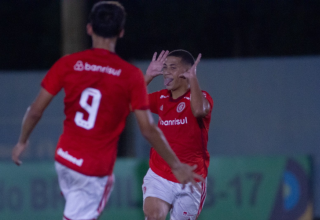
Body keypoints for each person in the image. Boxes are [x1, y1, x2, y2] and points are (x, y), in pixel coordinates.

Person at [11, 2, 203, 220]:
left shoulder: (68, 64)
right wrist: (176, 165)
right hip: (93, 168)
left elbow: (35, 110)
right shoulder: (128, 75)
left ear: (89, 28)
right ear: (121, 32)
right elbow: (148, 129)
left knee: (78, 207)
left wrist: (22, 141)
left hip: (64, 159)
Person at [142, 50, 213, 220]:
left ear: (187, 71)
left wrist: (193, 79)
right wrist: (148, 76)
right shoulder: (161, 98)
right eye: (165, 67)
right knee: (154, 215)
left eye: (172, 67)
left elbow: (197, 111)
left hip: (191, 177)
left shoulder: (202, 97)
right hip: (160, 173)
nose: (166, 72)